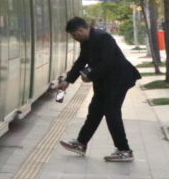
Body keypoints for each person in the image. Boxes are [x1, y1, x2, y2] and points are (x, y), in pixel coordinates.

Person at [59, 16, 141, 162]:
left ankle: (124, 150)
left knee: (112, 113)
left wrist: (90, 76)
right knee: (95, 111)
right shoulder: (86, 41)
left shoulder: (103, 37)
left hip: (118, 79)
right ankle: (81, 143)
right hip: (105, 81)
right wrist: (68, 80)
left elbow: (107, 61)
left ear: (81, 30)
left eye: (74, 35)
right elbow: (81, 61)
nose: (74, 38)